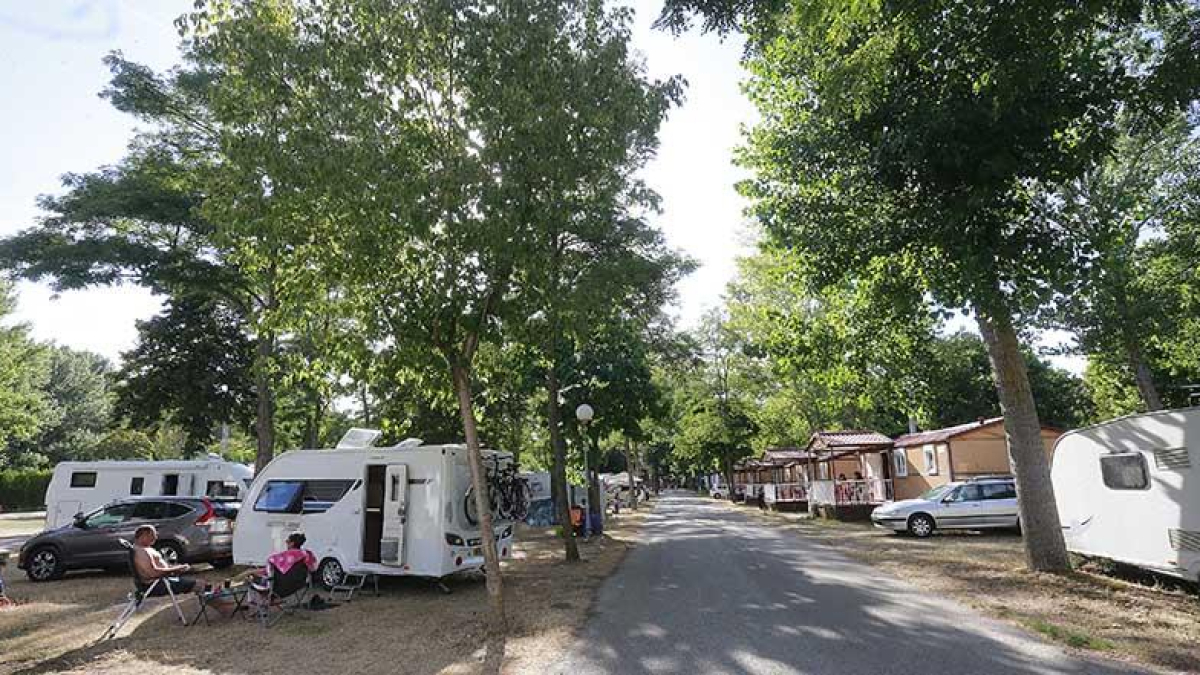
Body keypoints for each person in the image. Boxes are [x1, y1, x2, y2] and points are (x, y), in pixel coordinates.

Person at [131, 525, 200, 597]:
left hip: (161, 581)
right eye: (153, 535)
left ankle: (205, 604)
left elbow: (158, 567)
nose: (155, 538)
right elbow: (152, 573)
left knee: (200, 584)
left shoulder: (144, 548)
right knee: (201, 584)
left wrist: (177, 567)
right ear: (144, 535)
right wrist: (176, 569)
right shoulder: (141, 552)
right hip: (156, 586)